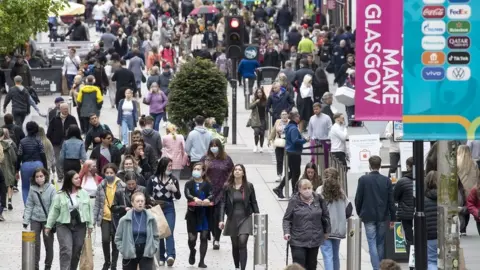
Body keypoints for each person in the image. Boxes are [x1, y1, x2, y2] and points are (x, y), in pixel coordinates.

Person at [45, 170, 94, 270]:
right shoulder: (60, 195)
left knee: (77, 249)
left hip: (80, 224)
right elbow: (53, 211)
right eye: (76, 178)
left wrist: (90, 225)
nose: (78, 180)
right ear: (69, 180)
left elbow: (89, 210)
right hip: (63, 224)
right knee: (66, 249)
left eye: (79, 178)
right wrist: (48, 226)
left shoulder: (84, 193)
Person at [355, 156, 396, 270]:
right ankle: (380, 267)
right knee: (380, 242)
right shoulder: (386, 180)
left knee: (371, 242)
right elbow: (391, 201)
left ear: (369, 165)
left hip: (368, 215)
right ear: (380, 165)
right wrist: (393, 218)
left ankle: (376, 268)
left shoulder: (363, 179)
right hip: (383, 215)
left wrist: (359, 212)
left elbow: (358, 198)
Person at [283, 179, 331, 270]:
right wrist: (286, 232)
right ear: (300, 190)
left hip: (314, 239)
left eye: (309, 188)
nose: (307, 190)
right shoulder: (294, 201)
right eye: (305, 188)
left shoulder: (319, 199)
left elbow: (325, 216)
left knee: (312, 266)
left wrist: (327, 231)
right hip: (298, 240)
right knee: (299, 266)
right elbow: (286, 219)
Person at [219, 164, 259, 270]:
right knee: (235, 245)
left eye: (239, 170)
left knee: (242, 242)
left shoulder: (249, 186)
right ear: (233, 172)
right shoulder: (227, 187)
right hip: (232, 217)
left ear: (243, 173)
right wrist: (221, 220)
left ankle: (243, 268)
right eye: (235, 170)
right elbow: (222, 203)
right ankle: (237, 266)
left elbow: (254, 202)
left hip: (246, 217)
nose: (237, 171)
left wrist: (259, 218)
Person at [200, 138, 234, 249]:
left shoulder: (226, 159)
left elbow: (232, 172)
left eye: (216, 145)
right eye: (212, 145)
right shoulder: (205, 159)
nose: (214, 147)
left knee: (218, 215)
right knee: (209, 216)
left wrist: (228, 184)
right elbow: (198, 172)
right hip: (208, 191)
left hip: (222, 191)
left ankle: (217, 239)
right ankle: (212, 233)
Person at [317, 168, 352, 270]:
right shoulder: (341, 192)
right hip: (338, 229)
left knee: (327, 255)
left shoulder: (320, 190)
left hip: (325, 228)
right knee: (335, 255)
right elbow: (349, 210)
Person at [114, 192, 160, 270]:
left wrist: (153, 248)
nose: (140, 203)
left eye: (142, 201)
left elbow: (156, 235)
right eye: (137, 201)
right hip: (129, 252)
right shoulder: (124, 220)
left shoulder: (151, 218)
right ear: (132, 203)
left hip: (146, 251)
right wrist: (123, 250)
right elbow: (118, 238)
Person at [149, 157, 181, 266]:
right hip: (156, 207)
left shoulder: (174, 179)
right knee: (160, 232)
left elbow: (178, 196)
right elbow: (147, 193)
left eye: (171, 166)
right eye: (169, 166)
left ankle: (171, 255)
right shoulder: (153, 179)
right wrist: (151, 200)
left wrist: (174, 190)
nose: (171, 168)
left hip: (169, 207)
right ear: (163, 166)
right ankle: (161, 256)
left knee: (169, 230)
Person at [93, 163, 125, 270]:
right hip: (105, 217)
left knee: (116, 241)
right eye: (107, 173)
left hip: (117, 217)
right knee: (105, 240)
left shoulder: (121, 185)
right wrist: (94, 218)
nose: (109, 174)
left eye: (111, 173)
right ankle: (107, 261)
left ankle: (114, 264)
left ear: (115, 173)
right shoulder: (101, 186)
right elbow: (97, 203)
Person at [23, 168, 56, 270]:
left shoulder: (51, 188)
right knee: (35, 244)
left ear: (45, 176)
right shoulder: (32, 188)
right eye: (37, 177)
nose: (39, 179)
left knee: (48, 244)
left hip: (47, 220)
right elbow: (29, 205)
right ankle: (35, 266)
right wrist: (26, 220)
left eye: (41, 176)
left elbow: (54, 206)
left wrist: (50, 222)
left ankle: (47, 266)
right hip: (35, 219)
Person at [184, 162, 214, 268]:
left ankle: (202, 261)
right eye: (194, 169)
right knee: (192, 238)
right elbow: (187, 194)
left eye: (198, 169)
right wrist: (194, 198)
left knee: (204, 237)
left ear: (203, 171)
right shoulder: (189, 183)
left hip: (205, 214)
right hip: (193, 214)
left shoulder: (207, 184)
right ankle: (192, 250)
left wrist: (208, 199)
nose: (196, 171)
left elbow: (211, 194)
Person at [273, 111, 307, 199]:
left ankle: (280, 188)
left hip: (290, 152)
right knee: (296, 173)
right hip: (294, 152)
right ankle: (294, 192)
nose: (299, 119)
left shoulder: (289, 127)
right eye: (298, 117)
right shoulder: (294, 128)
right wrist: (304, 140)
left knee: (292, 173)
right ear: (295, 118)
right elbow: (295, 140)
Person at [17, 121, 48, 205]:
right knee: (40, 187)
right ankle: (39, 205)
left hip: (26, 166)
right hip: (38, 164)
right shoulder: (39, 141)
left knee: (25, 188)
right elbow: (43, 154)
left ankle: (27, 208)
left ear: (27, 129)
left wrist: (17, 170)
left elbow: (19, 155)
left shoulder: (22, 141)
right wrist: (46, 168)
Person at [47, 102, 79, 182]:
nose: (66, 110)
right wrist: (50, 141)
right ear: (60, 109)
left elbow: (76, 130)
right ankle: (60, 176)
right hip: (56, 143)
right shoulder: (54, 119)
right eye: (64, 109)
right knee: (58, 159)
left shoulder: (72, 119)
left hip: (69, 143)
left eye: (67, 109)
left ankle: (67, 175)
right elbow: (49, 131)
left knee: (67, 159)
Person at [393, 156, 414, 264]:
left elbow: (395, 197)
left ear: (408, 166)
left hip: (406, 214)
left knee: (409, 239)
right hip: (420, 214)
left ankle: (412, 261)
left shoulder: (402, 181)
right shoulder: (424, 179)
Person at [268, 110, 289, 182]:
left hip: (288, 143)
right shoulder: (277, 121)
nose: (284, 116)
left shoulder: (290, 122)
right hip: (279, 142)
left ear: (288, 115)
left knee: (289, 160)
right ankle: (279, 175)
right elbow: (273, 131)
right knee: (279, 160)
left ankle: (289, 174)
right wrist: (269, 139)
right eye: (282, 114)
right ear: (280, 116)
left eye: (285, 114)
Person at [0, 128, 17, 210]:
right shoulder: (9, 145)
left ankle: (2, 203)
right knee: (9, 184)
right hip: (8, 167)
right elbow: (14, 158)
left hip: (1, 167)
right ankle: (9, 200)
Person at [424, 171, 438, 270]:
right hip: (444, 235)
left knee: (431, 261)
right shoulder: (445, 197)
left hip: (430, 235)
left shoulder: (423, 199)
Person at [249, 87, 267, 153]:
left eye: (260, 92)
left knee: (262, 133)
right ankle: (255, 145)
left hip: (263, 119)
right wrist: (255, 102)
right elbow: (250, 107)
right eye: (258, 92)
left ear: (262, 93)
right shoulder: (254, 99)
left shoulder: (265, 100)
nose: (259, 93)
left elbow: (267, 108)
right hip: (256, 119)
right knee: (256, 132)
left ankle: (261, 147)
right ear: (256, 93)